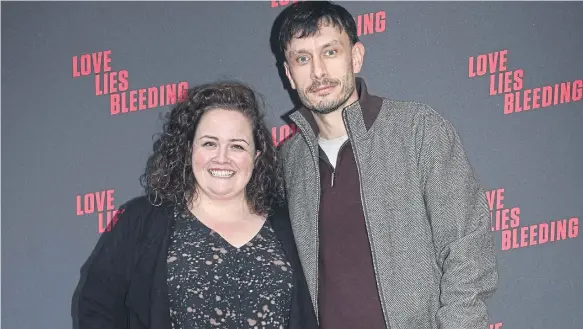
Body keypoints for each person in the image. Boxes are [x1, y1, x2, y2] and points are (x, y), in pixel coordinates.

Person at [271, 2, 499, 329]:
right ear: (290, 74)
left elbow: (467, 250)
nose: (318, 71)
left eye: (330, 52)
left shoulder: (417, 130)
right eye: (303, 59)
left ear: (356, 56)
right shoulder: (288, 162)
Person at [71, 82, 318, 329]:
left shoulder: (291, 226)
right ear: (190, 149)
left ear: (256, 155)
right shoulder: (141, 222)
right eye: (209, 143)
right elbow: (96, 307)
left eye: (237, 146)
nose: (222, 158)